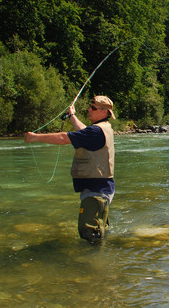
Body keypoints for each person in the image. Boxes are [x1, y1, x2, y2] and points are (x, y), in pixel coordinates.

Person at [25, 96, 116, 244]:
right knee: (98, 231)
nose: (89, 109)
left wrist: (35, 137)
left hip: (97, 191)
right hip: (99, 189)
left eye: (93, 108)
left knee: (89, 233)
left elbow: (63, 138)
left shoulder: (95, 132)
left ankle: (94, 263)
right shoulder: (101, 128)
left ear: (105, 112)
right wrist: (72, 116)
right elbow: (83, 131)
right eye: (90, 106)